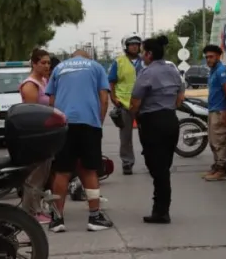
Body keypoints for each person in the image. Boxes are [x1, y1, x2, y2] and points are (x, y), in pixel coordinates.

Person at [45, 49, 113, 233]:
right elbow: (104, 99)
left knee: (62, 172)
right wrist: (98, 121)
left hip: (64, 124)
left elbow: (51, 100)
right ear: (87, 57)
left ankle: (57, 219)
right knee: (89, 170)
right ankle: (94, 217)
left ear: (73, 57)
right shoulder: (96, 67)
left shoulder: (59, 68)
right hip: (88, 123)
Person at [129, 36, 184, 223]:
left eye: (144, 52)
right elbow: (180, 95)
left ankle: (161, 211)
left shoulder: (147, 73)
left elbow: (135, 102)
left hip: (153, 122)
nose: (142, 55)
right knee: (164, 167)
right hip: (170, 120)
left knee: (157, 169)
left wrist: (134, 114)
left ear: (149, 54)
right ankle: (161, 208)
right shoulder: (173, 70)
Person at [19, 48, 53, 223]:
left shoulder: (45, 81)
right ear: (34, 63)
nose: (47, 66)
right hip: (35, 135)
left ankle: (30, 210)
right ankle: (32, 212)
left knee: (43, 174)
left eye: (48, 62)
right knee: (35, 175)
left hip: (47, 133)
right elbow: (32, 114)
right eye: (43, 63)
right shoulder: (31, 85)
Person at [108, 34, 144, 175]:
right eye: (131, 44)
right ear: (126, 46)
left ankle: (150, 160)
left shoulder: (145, 61)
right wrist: (113, 98)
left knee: (147, 135)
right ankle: (127, 163)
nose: (135, 46)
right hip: (124, 104)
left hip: (143, 103)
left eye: (137, 44)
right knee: (125, 137)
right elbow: (112, 81)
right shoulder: (119, 62)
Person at [202, 44, 226, 181]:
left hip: (220, 110)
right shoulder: (213, 71)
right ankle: (216, 166)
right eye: (207, 57)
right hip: (213, 109)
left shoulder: (221, 71)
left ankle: (222, 170)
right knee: (213, 140)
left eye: (211, 56)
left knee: (220, 141)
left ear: (218, 56)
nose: (208, 59)